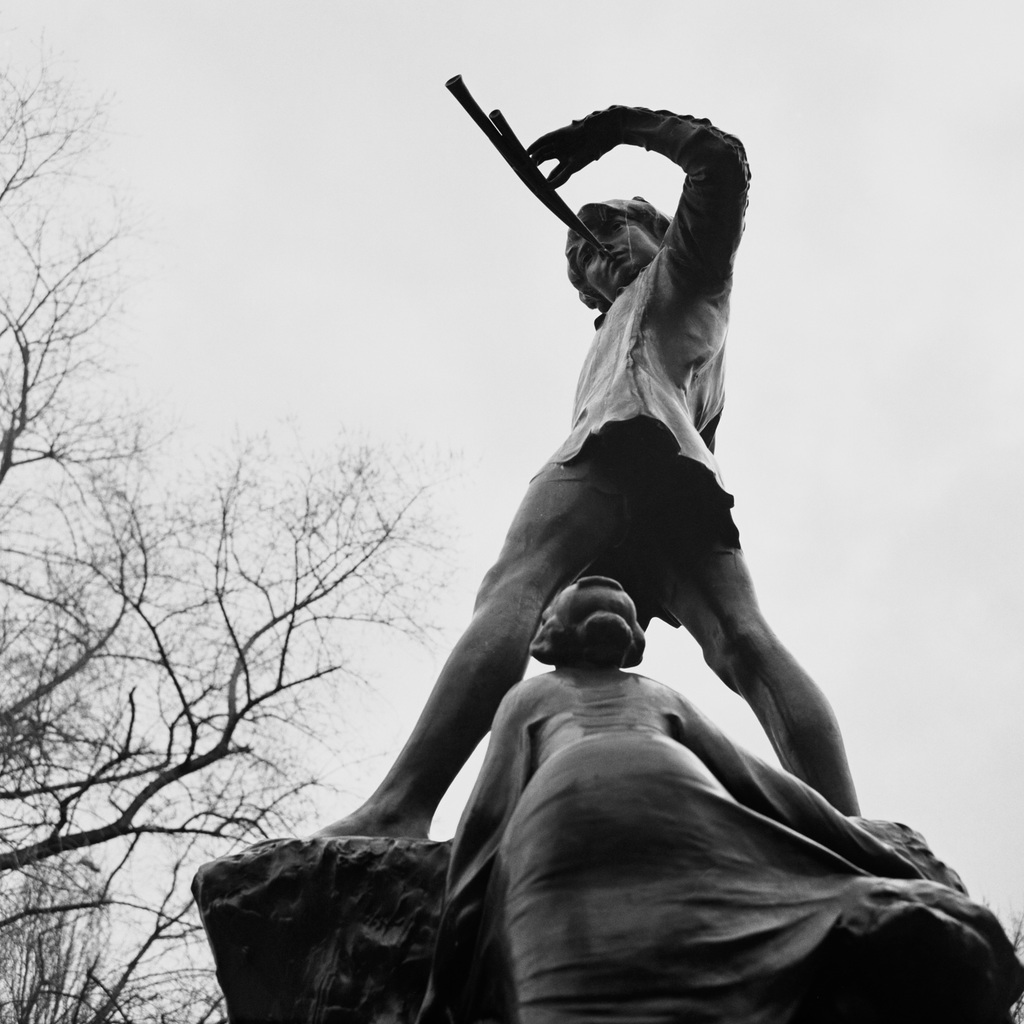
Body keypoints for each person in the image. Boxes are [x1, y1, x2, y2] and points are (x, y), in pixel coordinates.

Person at [319, 105, 859, 839]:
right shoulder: (634, 316)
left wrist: (608, 127)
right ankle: (846, 830)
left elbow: (720, 160)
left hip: (616, 447)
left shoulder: (688, 269)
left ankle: (401, 805)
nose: (594, 251)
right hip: (682, 482)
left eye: (608, 227)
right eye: (580, 256)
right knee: (740, 639)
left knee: (514, 587)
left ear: (659, 229)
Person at [417, 579, 1023, 1024]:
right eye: (582, 589)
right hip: (569, 844)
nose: (604, 582)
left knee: (919, 930)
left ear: (633, 639)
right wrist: (446, 975)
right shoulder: (532, 698)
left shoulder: (657, 695)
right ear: (551, 632)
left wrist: (889, 860)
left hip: (705, 834)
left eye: (618, 597)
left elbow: (767, 788)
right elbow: (490, 815)